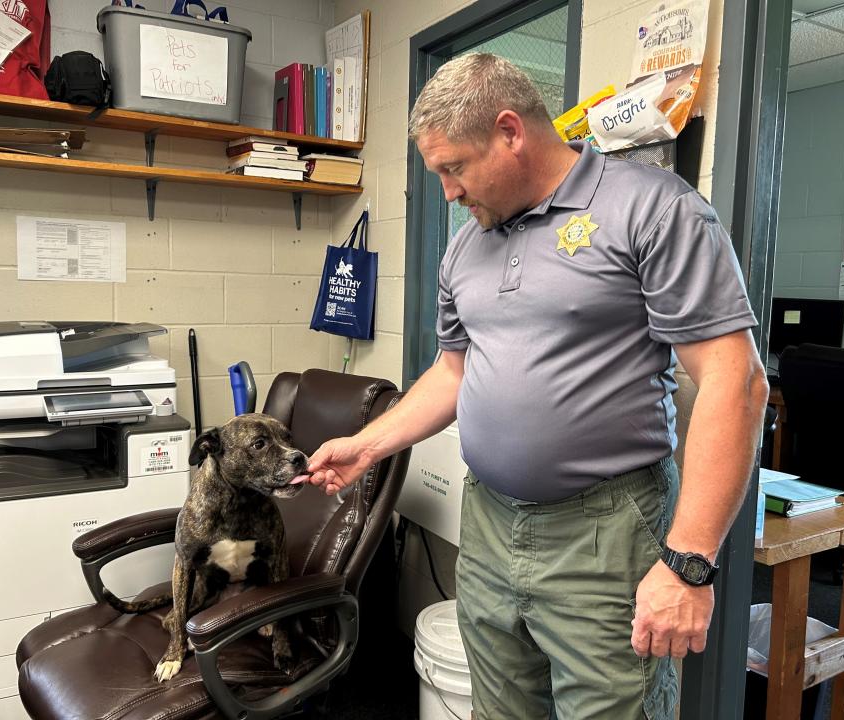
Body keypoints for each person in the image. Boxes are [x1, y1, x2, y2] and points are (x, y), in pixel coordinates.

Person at [304, 53, 769, 719]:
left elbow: (736, 381)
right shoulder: (468, 246)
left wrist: (688, 563)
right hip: (490, 523)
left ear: (509, 131)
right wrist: (369, 446)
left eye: (453, 168)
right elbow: (452, 371)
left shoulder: (653, 209)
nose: (448, 193)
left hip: (604, 532)